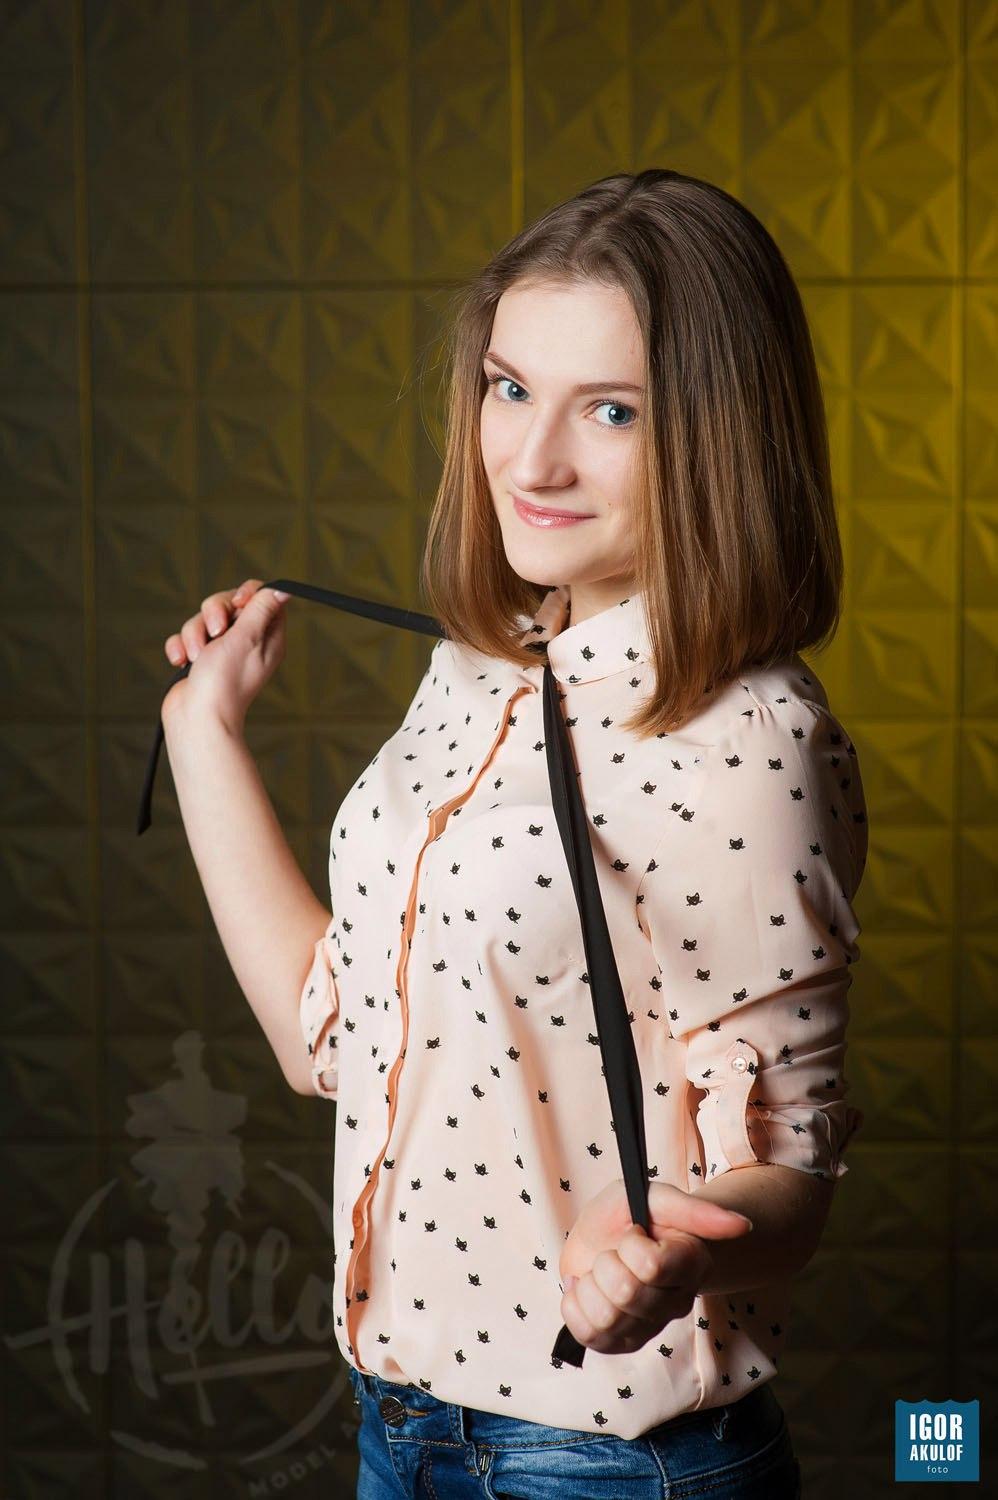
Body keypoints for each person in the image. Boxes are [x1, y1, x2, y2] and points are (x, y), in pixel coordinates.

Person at [159, 168, 869, 1498]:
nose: (531, 462)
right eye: (508, 388)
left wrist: (675, 1250)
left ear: (720, 435)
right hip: (399, 1426)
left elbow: (788, 1182)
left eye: (611, 410)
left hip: (604, 1462)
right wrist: (203, 736)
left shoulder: (754, 741)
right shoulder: (484, 666)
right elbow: (330, 1042)